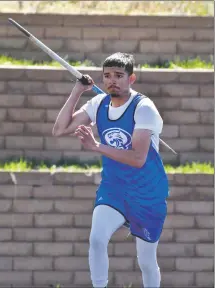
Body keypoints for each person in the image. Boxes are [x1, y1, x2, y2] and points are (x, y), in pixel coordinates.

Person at [52, 52, 169, 288]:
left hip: (147, 192)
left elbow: (137, 159)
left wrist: (96, 146)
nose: (111, 80)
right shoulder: (98, 103)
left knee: (146, 262)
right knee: (97, 238)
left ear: (131, 78)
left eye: (118, 75)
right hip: (114, 188)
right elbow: (59, 129)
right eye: (107, 76)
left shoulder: (143, 109)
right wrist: (77, 91)